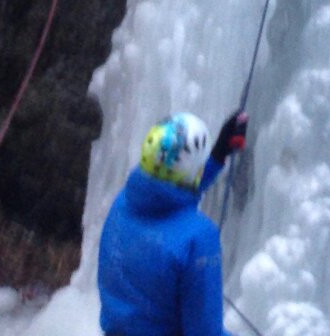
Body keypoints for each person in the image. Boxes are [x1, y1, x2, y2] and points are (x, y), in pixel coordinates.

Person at [98, 109, 248, 336]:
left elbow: (167, 195)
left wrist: (217, 157)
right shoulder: (198, 238)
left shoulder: (125, 202)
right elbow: (205, 332)